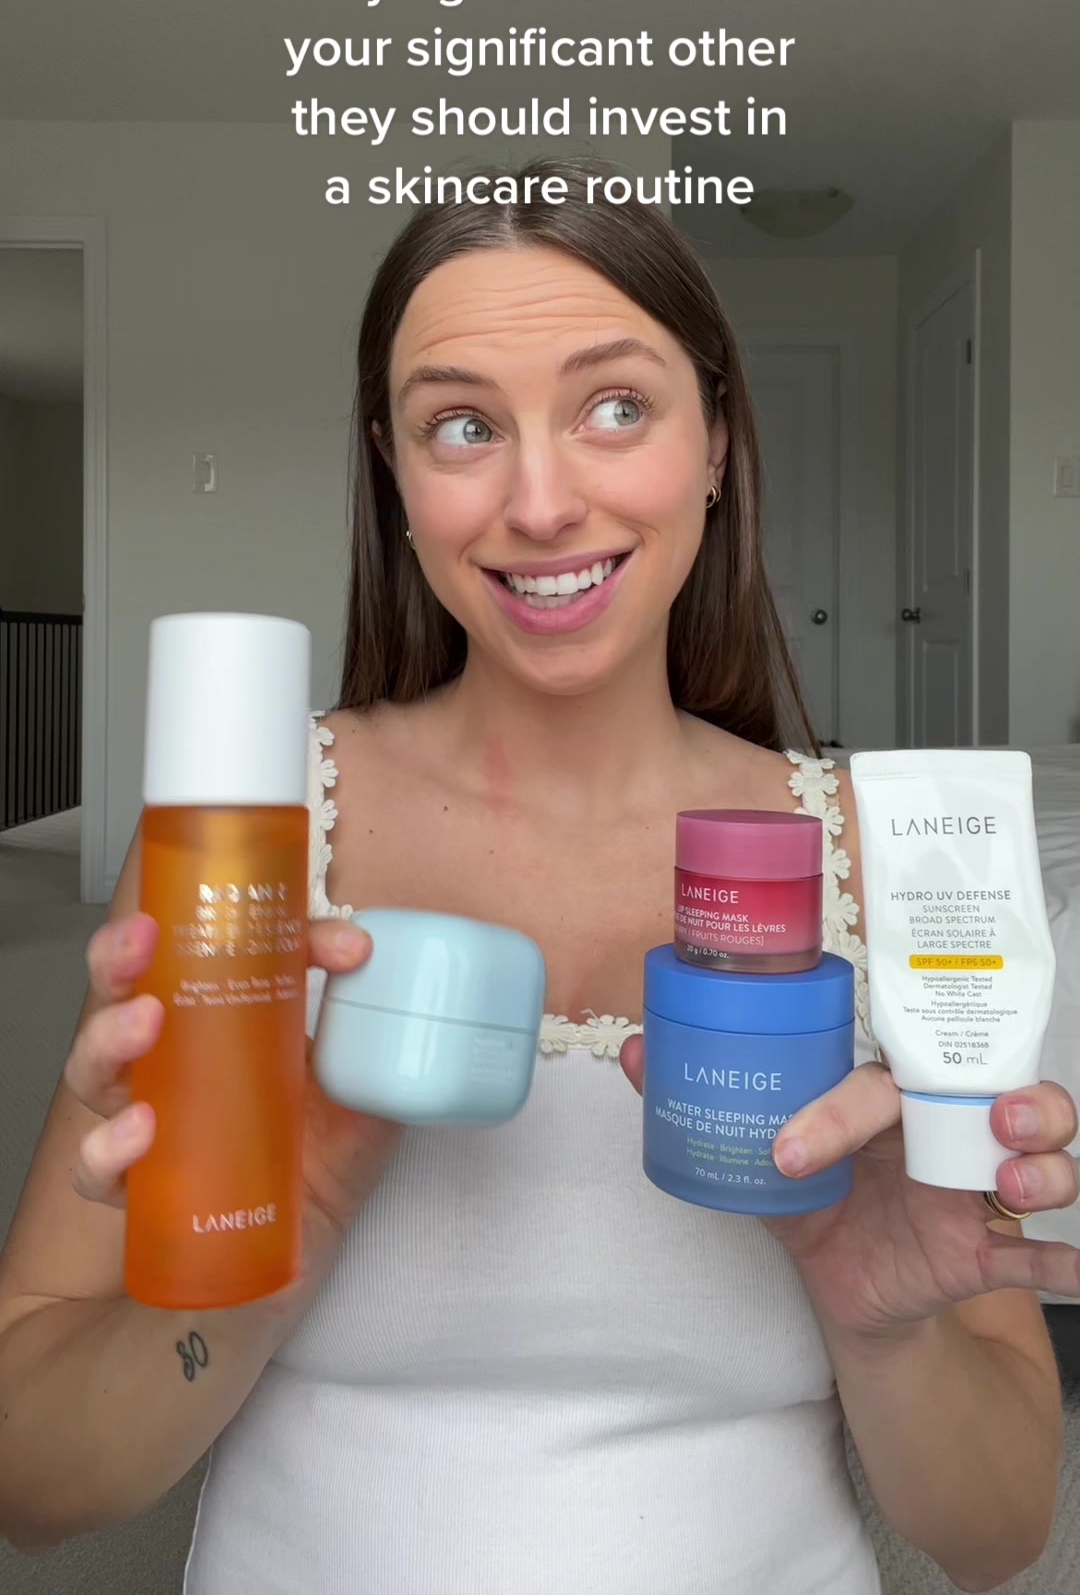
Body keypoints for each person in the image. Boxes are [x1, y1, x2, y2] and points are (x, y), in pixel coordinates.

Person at [0, 160, 1077, 1594]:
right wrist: (263, 1266)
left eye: (615, 405)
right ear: (395, 477)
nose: (542, 501)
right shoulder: (245, 850)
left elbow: (999, 1538)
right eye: (461, 425)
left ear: (715, 443)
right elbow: (32, 1484)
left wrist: (887, 1330)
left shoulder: (891, 863)